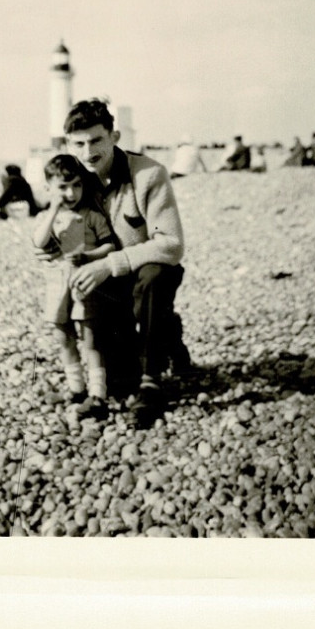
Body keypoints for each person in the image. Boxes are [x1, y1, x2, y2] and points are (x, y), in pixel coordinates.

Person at [61, 98, 190, 428]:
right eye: (78, 143)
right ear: (68, 144)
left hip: (149, 272)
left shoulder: (148, 175)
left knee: (153, 278)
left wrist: (109, 264)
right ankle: (167, 335)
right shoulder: (74, 183)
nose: (88, 152)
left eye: (96, 140)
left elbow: (171, 244)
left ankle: (151, 384)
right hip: (111, 283)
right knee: (119, 383)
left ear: (114, 137)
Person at [31, 154, 116, 421]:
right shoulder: (48, 217)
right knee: (63, 337)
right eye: (63, 187)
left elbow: (109, 245)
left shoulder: (91, 216)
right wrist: (53, 208)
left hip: (84, 282)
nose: (71, 193)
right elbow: (39, 241)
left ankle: (98, 395)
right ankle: (77, 389)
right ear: (49, 189)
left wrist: (90, 256)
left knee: (91, 339)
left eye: (76, 185)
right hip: (57, 285)